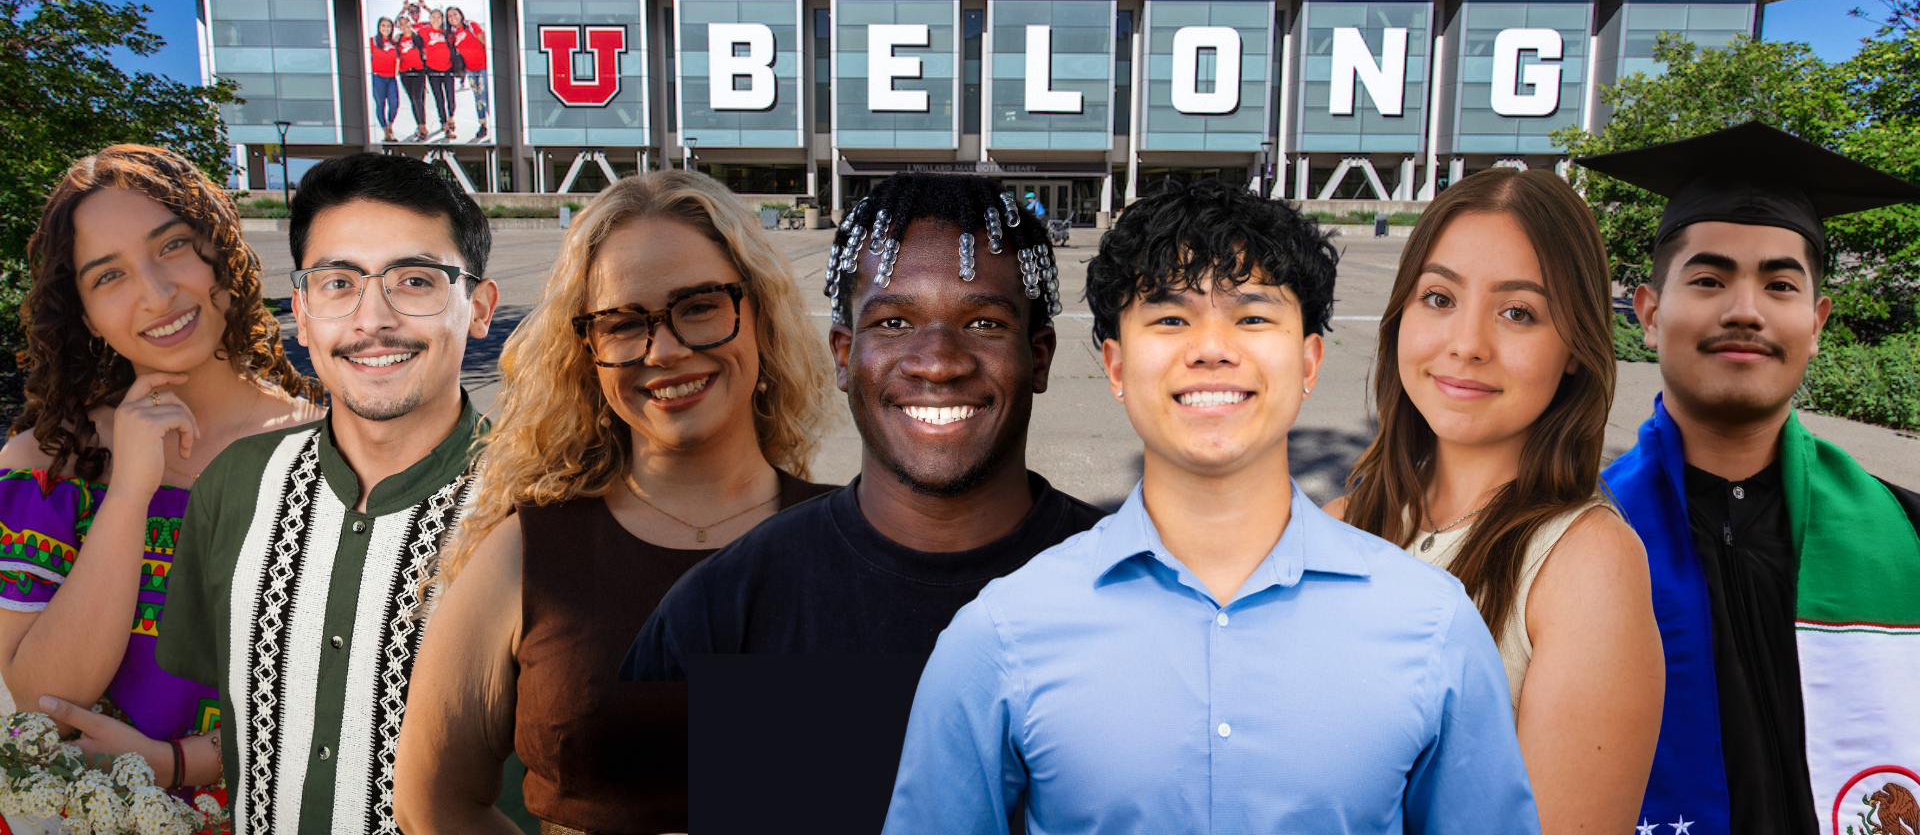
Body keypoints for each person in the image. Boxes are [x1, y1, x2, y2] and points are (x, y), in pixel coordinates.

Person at [884, 180, 1541, 835]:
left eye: (1253, 317)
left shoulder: (1433, 627)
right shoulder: (1001, 635)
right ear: (1115, 366)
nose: (1211, 348)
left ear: (1309, 361)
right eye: (1170, 319)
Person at [622, 173, 1106, 830]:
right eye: (895, 321)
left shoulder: (1140, 596)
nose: (938, 361)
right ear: (845, 355)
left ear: (1039, 356)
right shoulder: (727, 610)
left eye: (985, 322)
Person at [393, 170, 839, 834]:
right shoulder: (526, 554)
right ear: (588, 352)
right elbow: (432, 803)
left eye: (699, 306)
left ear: (760, 316)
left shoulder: (862, 542)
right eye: (624, 322)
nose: (665, 349)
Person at [1577, 121, 1920, 835]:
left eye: (1780, 283)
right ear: (1647, 313)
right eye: (1708, 279)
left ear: (1817, 322)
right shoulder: (1571, 537)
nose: (1745, 310)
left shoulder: (1910, 536)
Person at [157, 152, 499, 835]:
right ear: (305, 314)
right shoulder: (234, 485)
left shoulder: (547, 504)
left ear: (479, 309)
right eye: (338, 282)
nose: (373, 319)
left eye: (415, 279)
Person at [1325, 168, 1662, 835]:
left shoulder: (1585, 566)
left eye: (1518, 312)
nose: (1468, 344)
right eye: (1440, 298)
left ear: (1574, 348)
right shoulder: (1336, 527)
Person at [0, 145, 323, 800]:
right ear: (86, 314)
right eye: (108, 276)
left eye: (172, 246)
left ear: (220, 253)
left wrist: (188, 763)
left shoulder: (338, 449)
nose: (155, 293)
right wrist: (127, 496)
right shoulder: (46, 464)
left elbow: (380, 680)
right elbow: (40, 701)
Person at [445, 5, 490, 143]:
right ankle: (483, 125)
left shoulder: (471, 25)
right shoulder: (452, 34)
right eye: (450, 16)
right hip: (470, 69)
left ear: (461, 14)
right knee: (477, 98)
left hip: (484, 67)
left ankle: (495, 125)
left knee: (486, 96)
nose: (453, 18)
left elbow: (486, 43)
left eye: (455, 14)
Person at [419, 7, 458, 142]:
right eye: (433, 17)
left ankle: (451, 118)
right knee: (439, 98)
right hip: (432, 70)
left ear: (442, 20)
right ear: (429, 19)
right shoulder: (424, 31)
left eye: (438, 17)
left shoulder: (447, 32)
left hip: (447, 69)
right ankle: (445, 125)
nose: (436, 20)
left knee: (450, 97)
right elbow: (404, 28)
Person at [393, 16, 430, 143]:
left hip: (418, 71)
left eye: (406, 23)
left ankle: (423, 128)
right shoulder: (398, 39)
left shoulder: (417, 37)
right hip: (405, 73)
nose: (404, 26)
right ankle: (420, 125)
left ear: (410, 23)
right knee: (413, 101)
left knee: (417, 98)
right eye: (401, 24)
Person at [368, 17, 402, 144]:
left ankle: (390, 123)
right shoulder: (373, 41)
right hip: (378, 77)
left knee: (394, 103)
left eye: (388, 26)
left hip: (391, 77)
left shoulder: (395, 42)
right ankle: (385, 130)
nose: (386, 28)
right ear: (379, 27)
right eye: (383, 25)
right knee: (380, 103)